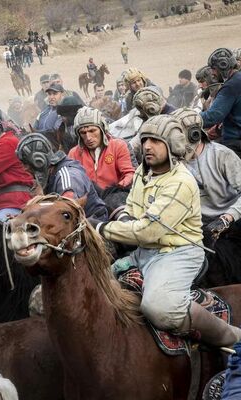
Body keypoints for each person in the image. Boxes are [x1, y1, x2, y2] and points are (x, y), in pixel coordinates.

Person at [95, 114, 241, 348]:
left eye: (155, 141)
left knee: (158, 307)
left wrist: (101, 227)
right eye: (144, 140)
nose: (147, 146)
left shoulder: (180, 181)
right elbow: (132, 207)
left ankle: (231, 337)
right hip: (145, 252)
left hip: (177, 253)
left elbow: (148, 231)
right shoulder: (145, 173)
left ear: (172, 144)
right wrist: (125, 218)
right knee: (95, 287)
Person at [173, 108, 241, 281]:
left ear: (193, 134)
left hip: (231, 222)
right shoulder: (175, 163)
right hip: (198, 226)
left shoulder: (222, 155)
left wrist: (227, 218)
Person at [16, 133, 108, 221]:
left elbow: (66, 212)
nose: (25, 168)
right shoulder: (52, 174)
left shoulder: (67, 176)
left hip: (92, 228)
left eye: (26, 163)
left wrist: (41, 199)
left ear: (39, 161)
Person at [68, 107, 136, 191]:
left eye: (92, 131)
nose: (88, 137)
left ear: (102, 129)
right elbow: (71, 182)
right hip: (88, 199)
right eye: (83, 133)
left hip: (117, 196)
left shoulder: (118, 146)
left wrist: (116, 190)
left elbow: (130, 174)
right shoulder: (74, 154)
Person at [200, 48, 241, 141]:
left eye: (214, 69)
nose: (213, 73)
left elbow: (213, 116)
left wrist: (191, 118)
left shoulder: (230, 86)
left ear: (223, 66)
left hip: (235, 142)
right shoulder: (238, 79)